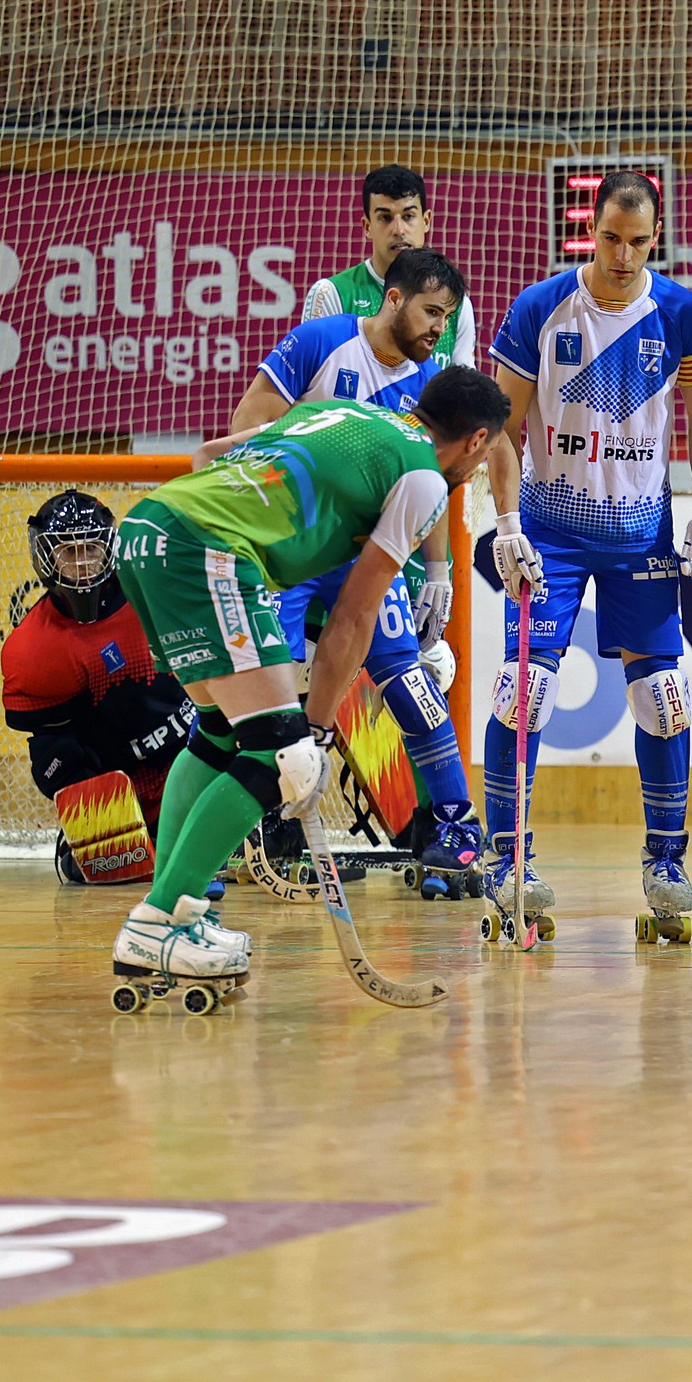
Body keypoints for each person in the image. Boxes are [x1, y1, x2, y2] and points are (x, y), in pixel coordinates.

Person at [107, 372, 506, 988]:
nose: (477, 471)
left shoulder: (339, 413)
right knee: (280, 754)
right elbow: (353, 617)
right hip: (207, 551)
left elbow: (208, 455)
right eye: (484, 459)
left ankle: (176, 914)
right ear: (476, 441)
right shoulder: (424, 477)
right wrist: (315, 734)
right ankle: (161, 921)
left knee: (216, 735)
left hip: (148, 532)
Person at [485, 171, 692, 934]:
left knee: (665, 697)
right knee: (523, 690)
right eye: (610, 238)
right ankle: (506, 859)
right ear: (591, 230)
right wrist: (508, 523)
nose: (622, 255)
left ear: (658, 239)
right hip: (549, 531)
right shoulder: (540, 307)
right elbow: (501, 428)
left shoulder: (678, 311)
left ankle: (666, 860)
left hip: (641, 533)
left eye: (637, 241)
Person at [212, 248, 480, 896]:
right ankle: (230, 834)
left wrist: (437, 568)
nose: (438, 328)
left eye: (447, 317)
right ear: (393, 299)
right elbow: (246, 422)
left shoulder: (433, 381)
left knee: (411, 683)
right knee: (260, 696)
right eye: (431, 312)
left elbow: (431, 477)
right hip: (292, 546)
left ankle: (456, 827)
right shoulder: (321, 341)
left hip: (367, 553)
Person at [1, 491, 196, 882]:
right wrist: (99, 825)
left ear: (109, 548)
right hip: (129, 798)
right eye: (69, 552)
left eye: (91, 548)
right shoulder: (33, 648)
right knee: (57, 756)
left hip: (195, 765)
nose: (83, 562)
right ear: (46, 557)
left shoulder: (158, 591)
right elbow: (53, 757)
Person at [302, 164, 478, 370]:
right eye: (385, 218)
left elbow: (462, 384)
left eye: (408, 216)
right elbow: (310, 378)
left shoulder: (455, 304)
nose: (398, 230)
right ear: (367, 226)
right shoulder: (332, 294)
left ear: (426, 221)